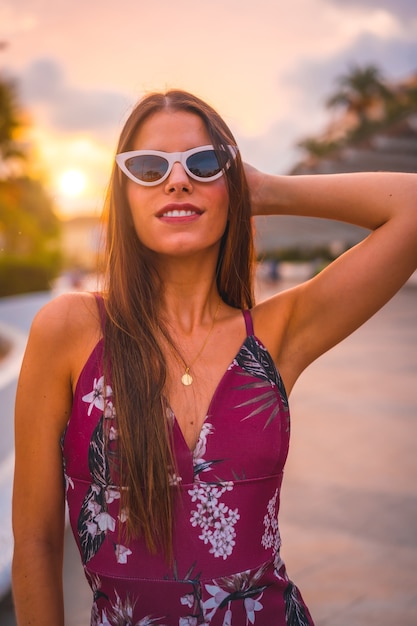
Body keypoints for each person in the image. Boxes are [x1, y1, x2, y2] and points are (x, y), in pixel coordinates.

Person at [11, 89, 417, 626]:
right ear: (123, 194)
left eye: (203, 164)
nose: (177, 181)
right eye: (150, 167)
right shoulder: (71, 330)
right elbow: (36, 541)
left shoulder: (274, 335)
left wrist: (265, 189)